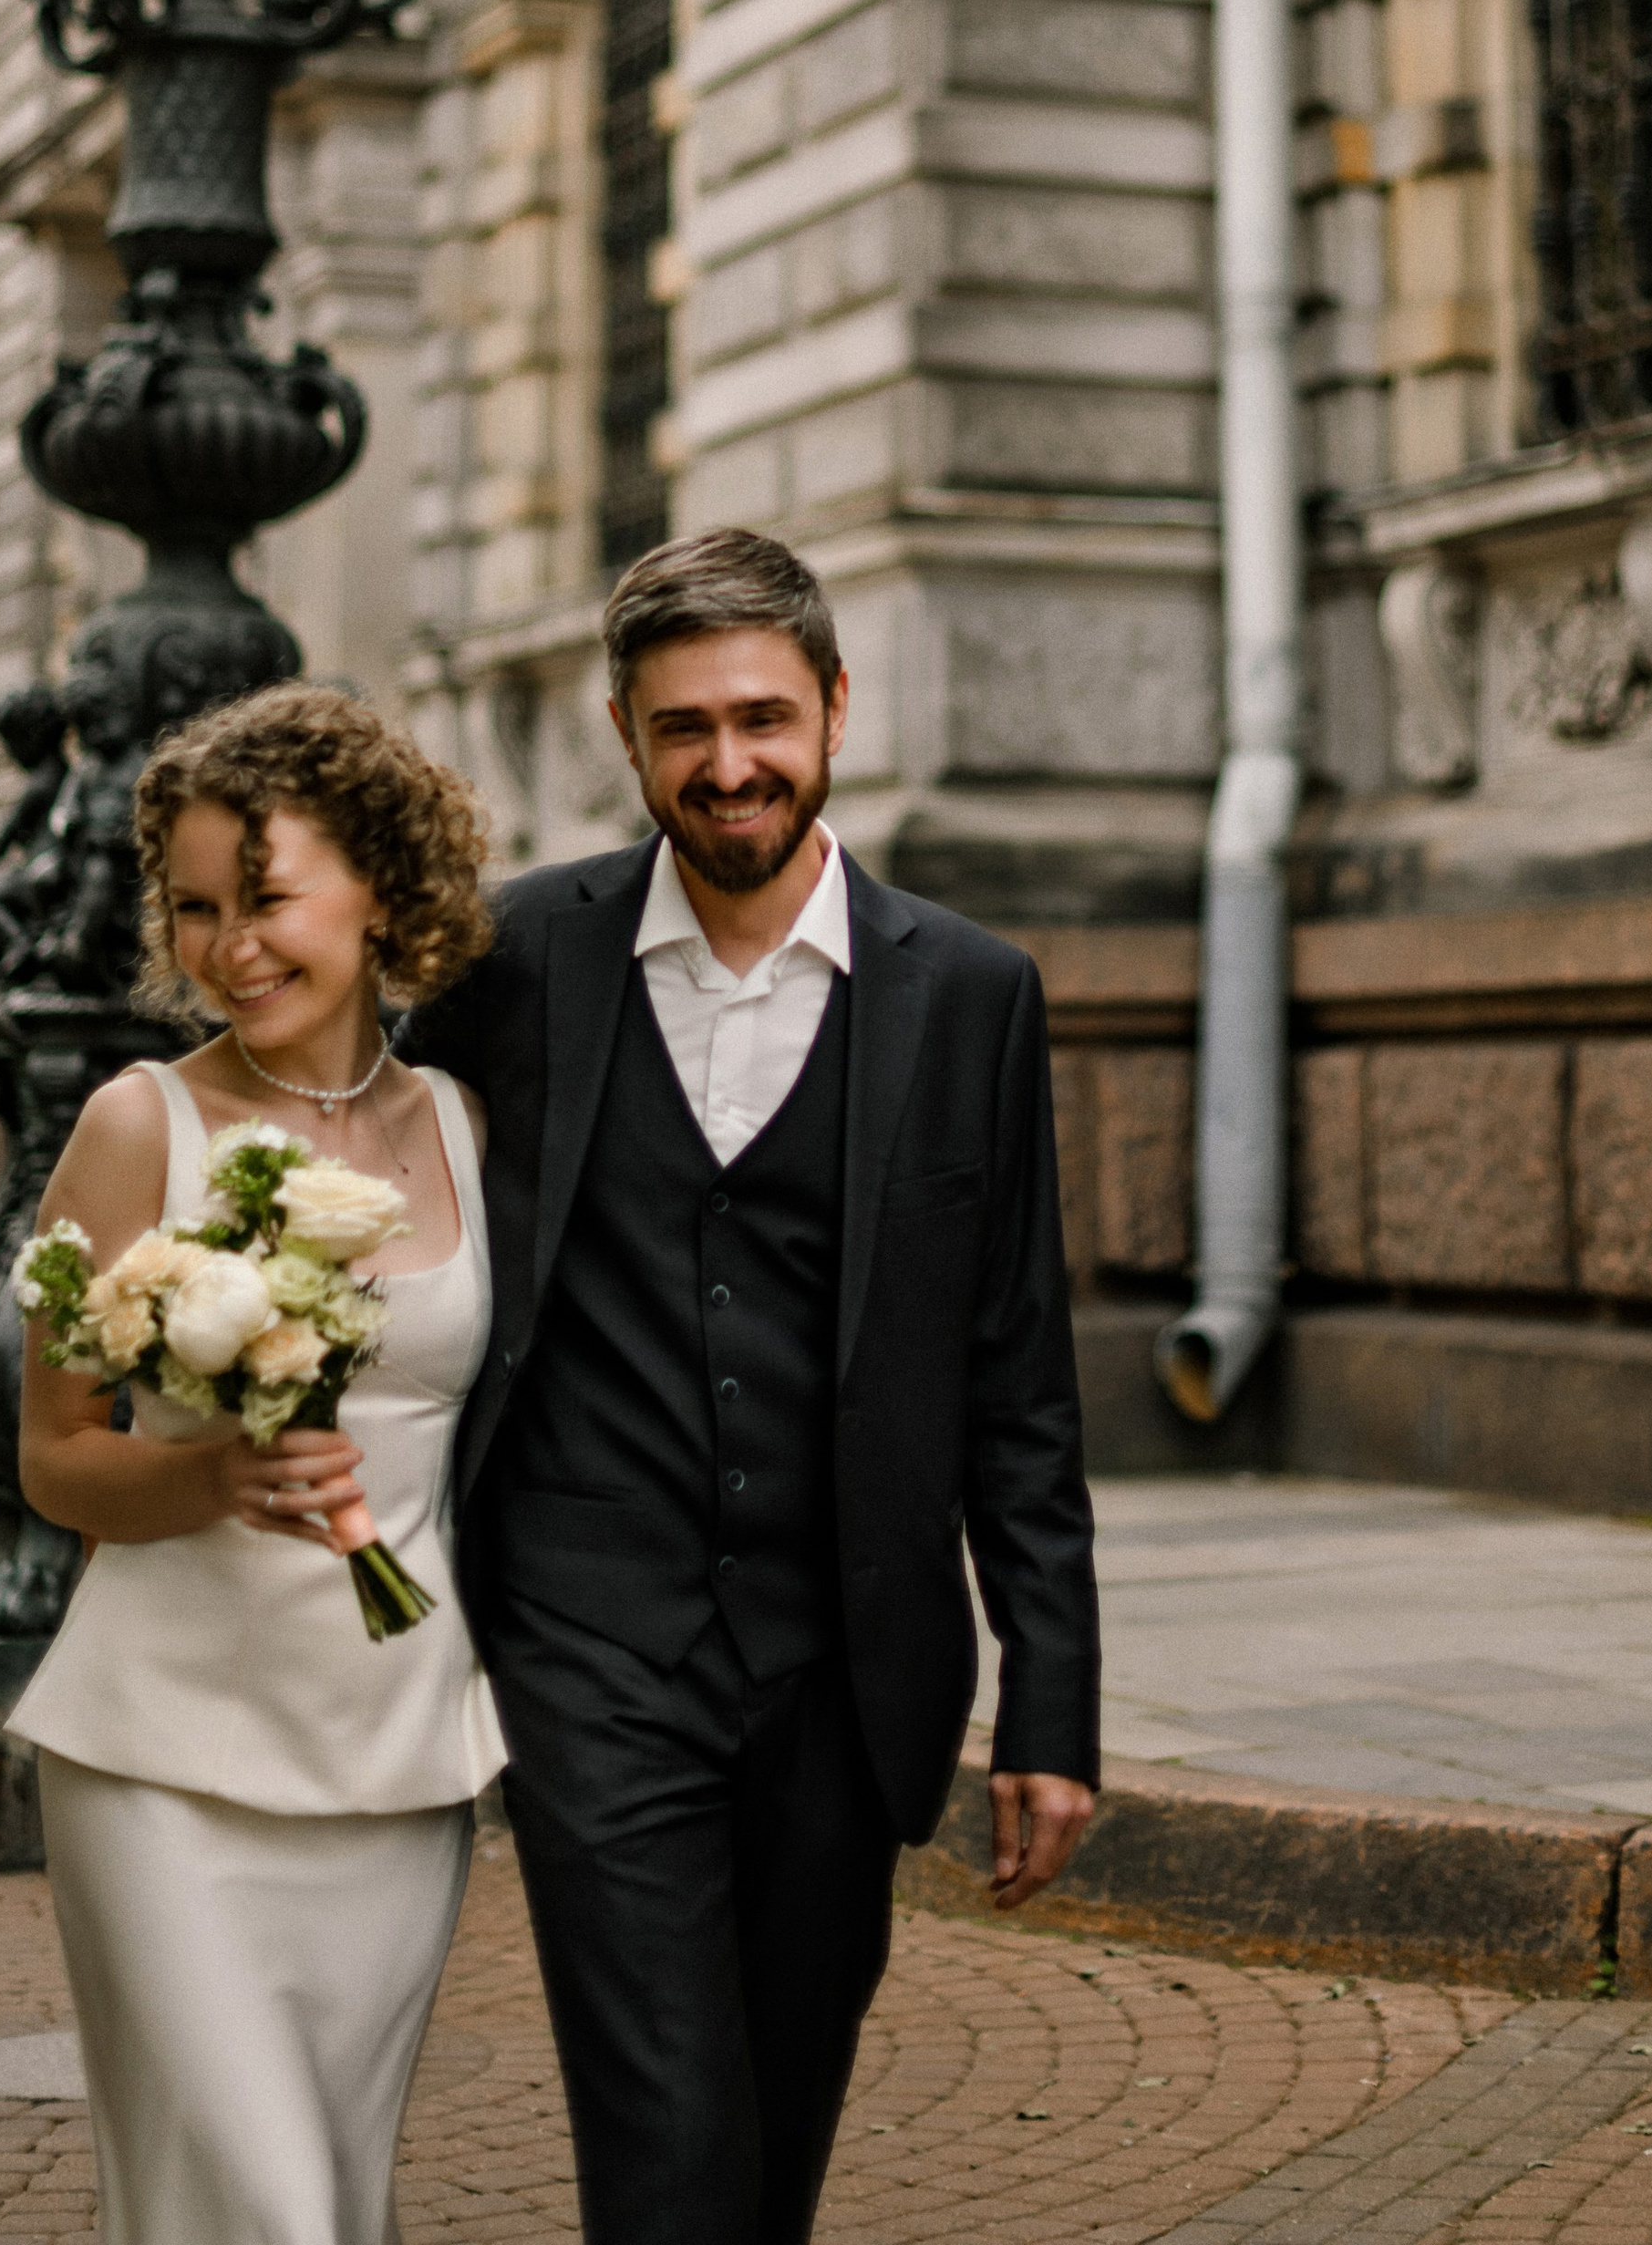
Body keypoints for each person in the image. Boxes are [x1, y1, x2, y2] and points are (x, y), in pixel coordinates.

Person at [404, 525, 1100, 2245]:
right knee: (668, 2131)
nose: (732, 767)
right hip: (590, 1642)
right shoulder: (511, 964)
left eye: (765, 718)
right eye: (686, 728)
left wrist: (1054, 1700)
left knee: (777, 2126)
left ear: (839, 710)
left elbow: (1019, 1369)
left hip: (844, 1662)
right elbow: (352, 1167)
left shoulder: (973, 997)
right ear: (626, 739)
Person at [8, 682, 503, 2245]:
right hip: (161, 1759)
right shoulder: (136, 1126)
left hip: (396, 1761)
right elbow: (51, 1458)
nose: (233, 948)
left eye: (268, 897)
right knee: (268, 2212)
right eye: (198, 908)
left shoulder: (469, 1130)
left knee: (332, 2205)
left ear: (379, 886)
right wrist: (213, 1480)